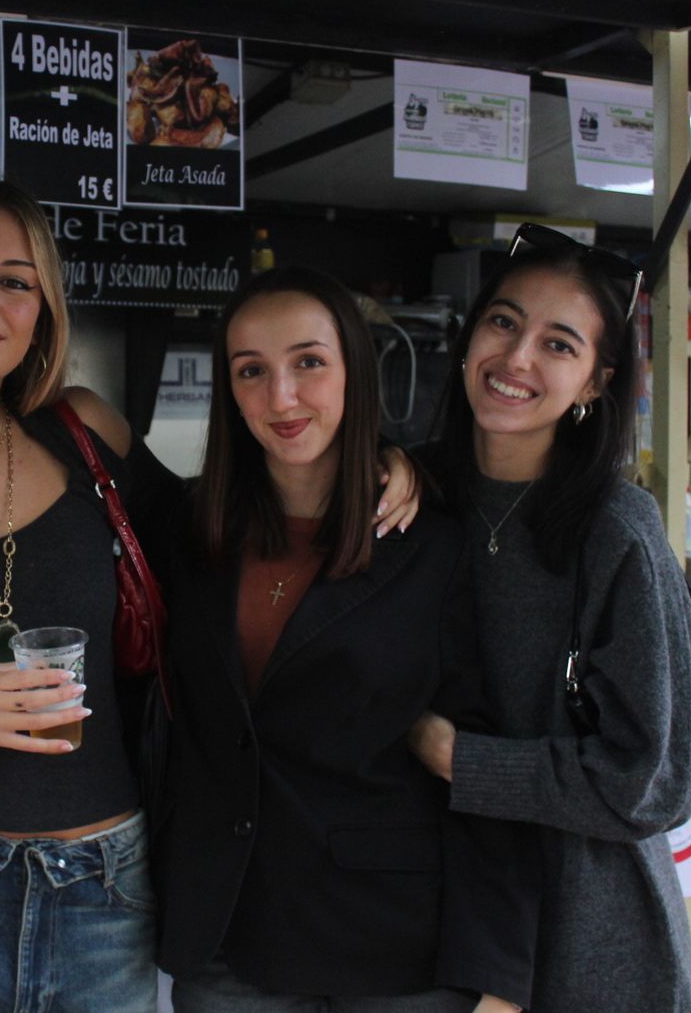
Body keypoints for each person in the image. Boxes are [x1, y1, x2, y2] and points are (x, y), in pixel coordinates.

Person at [0, 176, 424, 1013]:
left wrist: (383, 460)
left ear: (44, 310)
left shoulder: (83, 433)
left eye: (16, 281)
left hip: (104, 884)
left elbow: (229, 532)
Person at [154, 267, 535, 1013]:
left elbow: (484, 751)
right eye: (251, 371)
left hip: (396, 949)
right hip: (231, 939)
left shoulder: (432, 542)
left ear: (355, 370)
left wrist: (501, 972)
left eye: (309, 363)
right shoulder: (189, 531)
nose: (282, 397)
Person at [409, 224, 691, 1012]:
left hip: (591, 929)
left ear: (597, 382)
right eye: (503, 321)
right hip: (440, 915)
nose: (517, 358)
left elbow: (658, 780)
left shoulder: (618, 530)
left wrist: (463, 759)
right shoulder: (414, 492)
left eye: (558, 344)